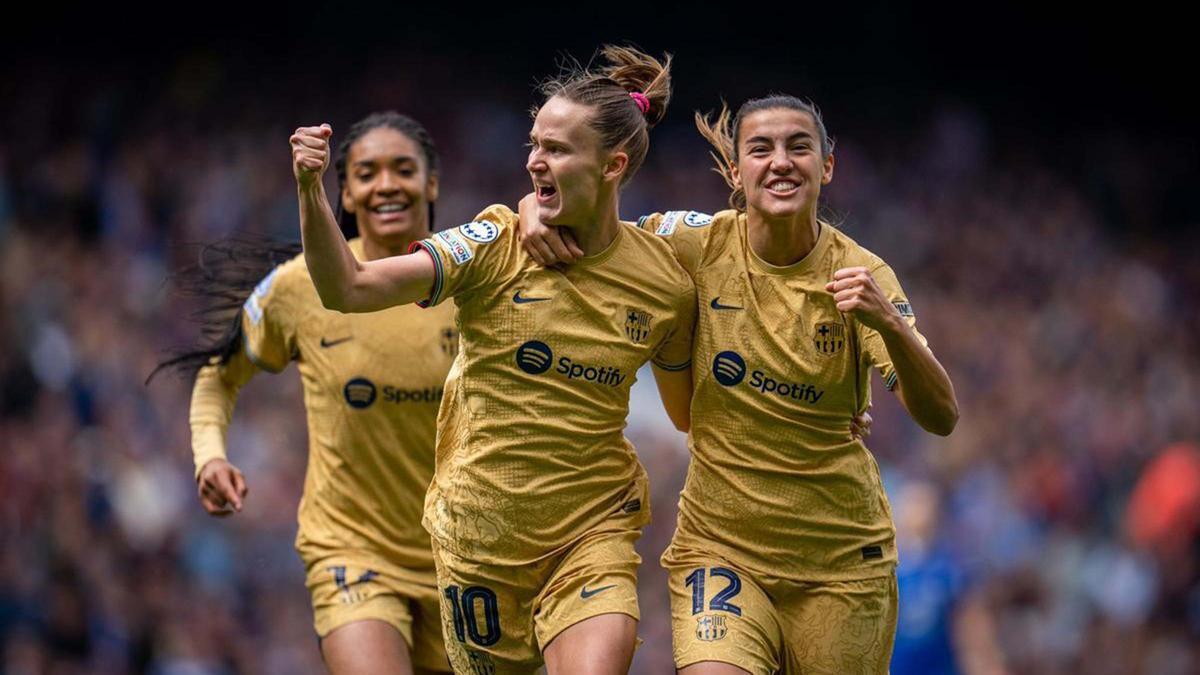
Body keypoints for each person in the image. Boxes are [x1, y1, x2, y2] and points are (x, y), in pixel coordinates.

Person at [289, 46, 696, 675]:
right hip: (478, 542)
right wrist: (310, 189)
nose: (534, 160)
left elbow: (689, 412)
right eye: (534, 144)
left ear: (613, 165)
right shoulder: (495, 244)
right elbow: (350, 287)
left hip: (591, 535)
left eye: (556, 149)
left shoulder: (664, 280)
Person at [519, 94, 958, 674]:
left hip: (840, 562)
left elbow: (941, 416)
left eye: (798, 147)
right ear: (734, 170)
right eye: (760, 148)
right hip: (720, 548)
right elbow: (596, 222)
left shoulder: (862, 275)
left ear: (826, 166)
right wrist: (532, 208)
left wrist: (891, 326)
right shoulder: (695, 242)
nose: (781, 161)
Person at [162, 111, 455, 675]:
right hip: (352, 552)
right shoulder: (298, 288)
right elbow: (219, 376)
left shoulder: (471, 282)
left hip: (463, 558)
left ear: (432, 183)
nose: (386, 185)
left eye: (403, 169)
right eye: (366, 173)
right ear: (344, 193)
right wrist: (210, 455)